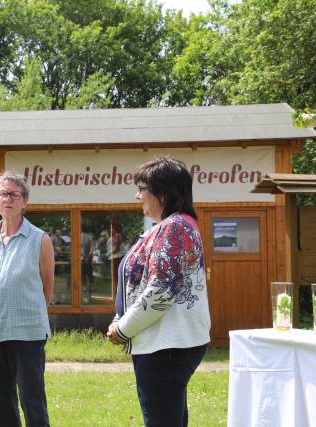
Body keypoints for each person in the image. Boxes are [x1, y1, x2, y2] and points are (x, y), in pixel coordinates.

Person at [106, 157, 211, 427]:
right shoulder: (176, 226)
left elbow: (162, 289)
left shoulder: (175, 227)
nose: (138, 195)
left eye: (141, 188)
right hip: (165, 346)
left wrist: (123, 328)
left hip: (166, 348)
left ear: (162, 194)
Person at [0, 170, 55, 427]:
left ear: (25, 201)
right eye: (2, 194)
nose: (7, 199)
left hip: (27, 332)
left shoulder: (40, 239)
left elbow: (47, 287)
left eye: (13, 194)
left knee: (32, 402)